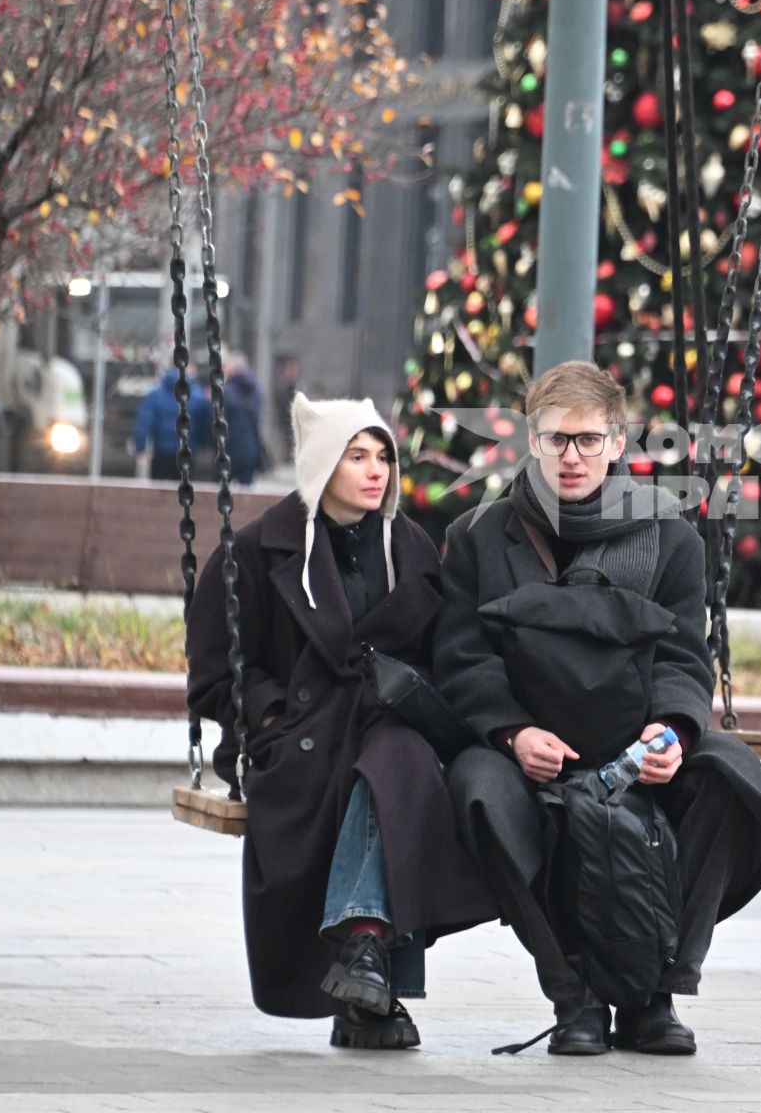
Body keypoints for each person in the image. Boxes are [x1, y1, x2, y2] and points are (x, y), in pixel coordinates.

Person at [436, 361, 761, 1057]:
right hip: (529, 742)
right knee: (481, 791)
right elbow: (461, 656)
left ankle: (657, 992)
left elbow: (688, 656)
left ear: (617, 443)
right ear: (530, 442)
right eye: (556, 439)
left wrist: (674, 733)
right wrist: (512, 733)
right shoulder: (480, 535)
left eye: (588, 441)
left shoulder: (669, 537)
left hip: (635, 743)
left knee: (730, 774)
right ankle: (575, 999)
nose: (572, 457)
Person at [186, 393, 497, 1049]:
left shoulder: (410, 549)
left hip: (388, 720)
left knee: (399, 762)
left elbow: (443, 654)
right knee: (383, 773)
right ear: (323, 464)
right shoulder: (254, 553)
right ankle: (368, 983)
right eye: (357, 456)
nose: (376, 469)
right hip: (296, 739)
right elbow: (217, 677)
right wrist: (269, 710)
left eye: (383, 455)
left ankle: (364, 952)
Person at [134, 366, 213, 482]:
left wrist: (140, 447)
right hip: (188, 452)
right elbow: (206, 423)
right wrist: (205, 443)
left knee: (158, 487)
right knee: (185, 489)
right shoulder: (198, 397)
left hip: (161, 451)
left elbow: (144, 423)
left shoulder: (155, 396)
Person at [221, 351, 266, 486]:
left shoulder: (226, 391)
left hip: (229, 449)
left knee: (222, 493)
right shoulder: (255, 391)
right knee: (246, 493)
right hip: (250, 450)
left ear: (232, 369)